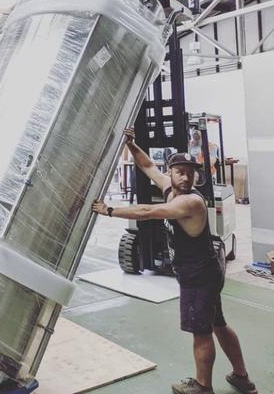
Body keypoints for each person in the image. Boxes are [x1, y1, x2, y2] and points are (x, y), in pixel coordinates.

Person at [92, 129, 257, 394]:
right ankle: (241, 377)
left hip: (199, 275)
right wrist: (132, 145)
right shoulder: (170, 189)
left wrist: (110, 210)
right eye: (180, 171)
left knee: (201, 331)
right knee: (218, 324)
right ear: (170, 173)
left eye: (190, 172)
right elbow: (146, 165)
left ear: (197, 175)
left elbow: (148, 211)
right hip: (203, 271)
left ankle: (203, 386)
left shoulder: (191, 202)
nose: (186, 176)